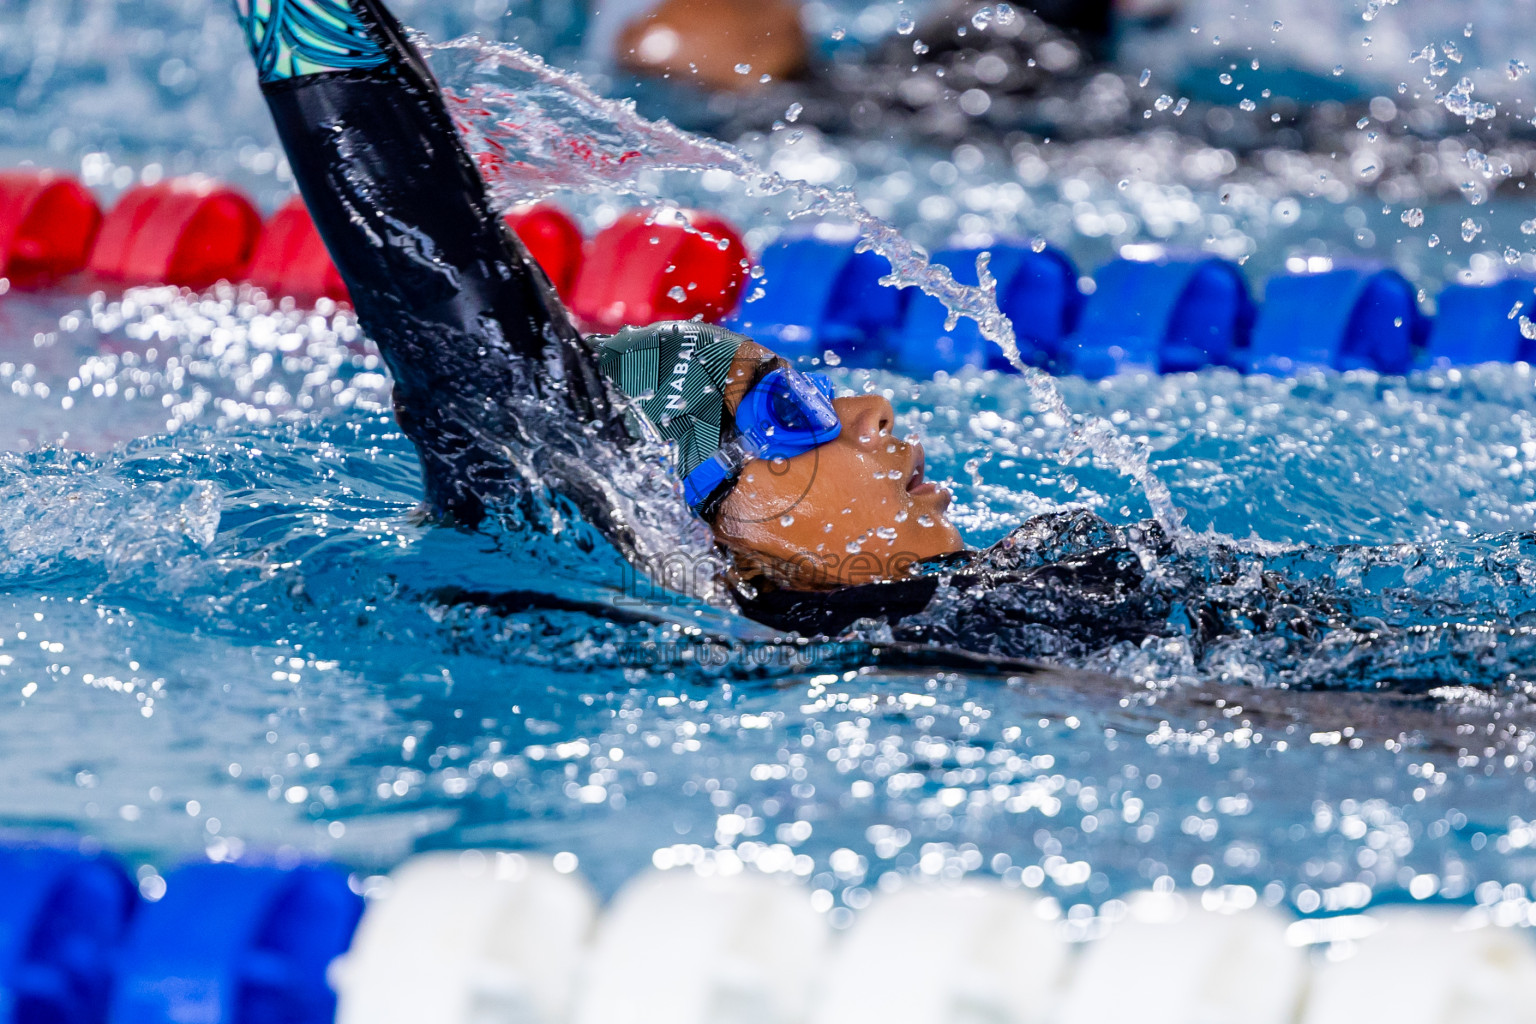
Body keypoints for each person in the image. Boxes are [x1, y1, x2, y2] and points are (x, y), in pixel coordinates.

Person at [233, 0, 1528, 687]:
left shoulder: (1036, 568)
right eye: (787, 416)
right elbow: (443, 285)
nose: (874, 419)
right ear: (669, 519)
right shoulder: (832, 632)